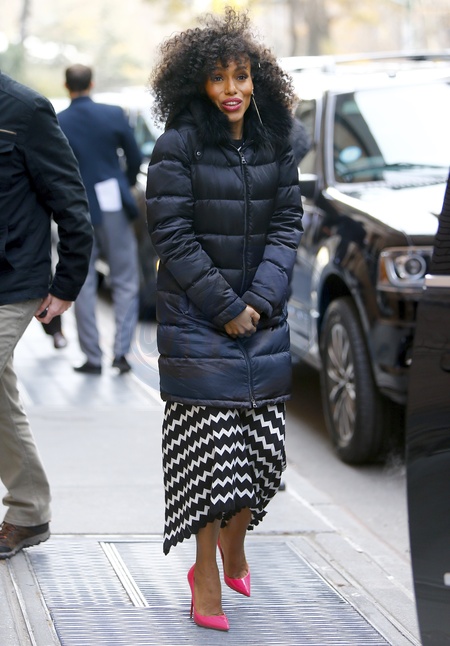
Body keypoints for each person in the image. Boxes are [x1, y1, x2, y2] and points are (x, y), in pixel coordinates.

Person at [146, 8, 303, 632]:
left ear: (256, 78)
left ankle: (236, 545)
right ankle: (205, 575)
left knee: (262, 460)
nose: (232, 89)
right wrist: (226, 307)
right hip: (196, 323)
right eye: (218, 78)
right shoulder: (178, 145)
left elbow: (288, 224)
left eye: (241, 75)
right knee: (212, 467)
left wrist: (258, 301)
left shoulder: (275, 141)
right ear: (198, 84)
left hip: (262, 321)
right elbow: (172, 233)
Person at [0, 71, 92, 559]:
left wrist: (66, 283)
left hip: (11, 280)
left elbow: (70, 200)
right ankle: (29, 511)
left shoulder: (26, 109)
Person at [58, 64, 143, 375]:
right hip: (112, 202)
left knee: (82, 282)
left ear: (67, 86)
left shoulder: (59, 120)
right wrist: (125, 182)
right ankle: (121, 353)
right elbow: (134, 157)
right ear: (92, 84)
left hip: (76, 206)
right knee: (125, 278)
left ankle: (92, 356)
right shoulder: (112, 114)